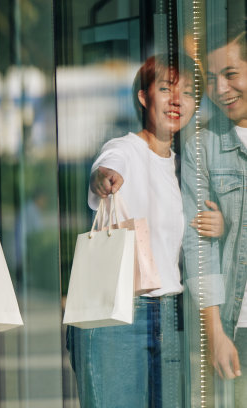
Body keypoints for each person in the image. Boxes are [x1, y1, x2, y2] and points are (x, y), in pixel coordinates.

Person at [67, 53, 211, 407]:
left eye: (189, 93)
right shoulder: (124, 149)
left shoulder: (185, 167)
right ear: (144, 97)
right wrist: (103, 179)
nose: (178, 100)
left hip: (171, 312)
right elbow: (105, 168)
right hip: (121, 313)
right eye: (166, 89)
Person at [182, 26, 247, 406]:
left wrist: (232, 226)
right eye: (210, 79)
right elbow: (197, 245)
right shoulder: (203, 147)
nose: (220, 89)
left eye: (231, 74)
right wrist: (215, 334)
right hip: (238, 326)